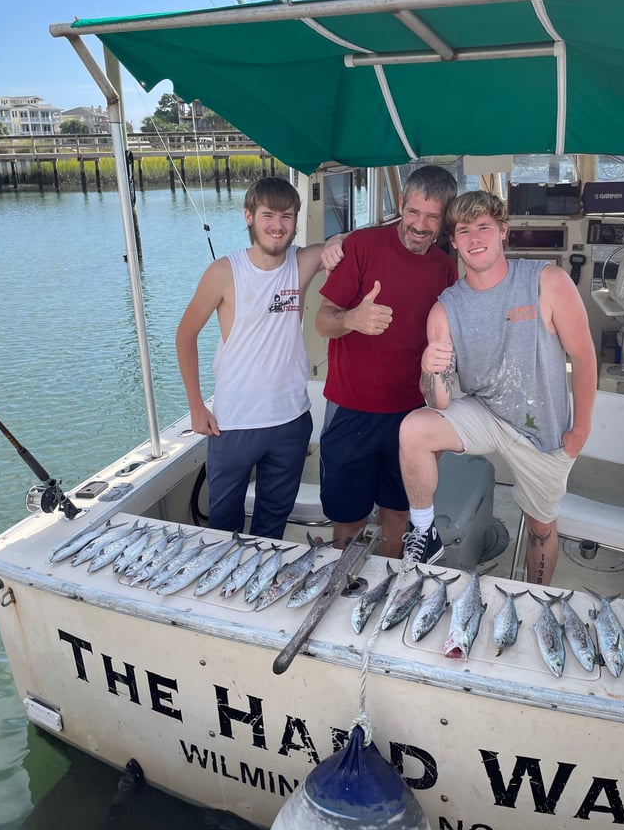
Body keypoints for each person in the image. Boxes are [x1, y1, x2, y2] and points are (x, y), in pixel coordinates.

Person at [399, 190, 597, 582]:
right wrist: (429, 369)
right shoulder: (445, 308)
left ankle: (537, 599)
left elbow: (585, 356)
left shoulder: (547, 282)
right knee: (414, 428)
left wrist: (580, 431)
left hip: (543, 429)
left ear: (503, 231)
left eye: (484, 227)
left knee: (541, 527)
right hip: (485, 412)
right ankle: (424, 532)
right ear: (453, 241)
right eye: (464, 230)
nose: (475, 239)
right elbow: (438, 400)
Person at [176, 176, 344, 539]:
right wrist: (196, 407)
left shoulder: (301, 264)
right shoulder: (224, 272)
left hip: (291, 422)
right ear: (248, 216)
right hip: (233, 423)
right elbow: (185, 336)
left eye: (287, 216)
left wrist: (337, 242)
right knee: (223, 526)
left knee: (273, 525)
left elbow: (343, 243)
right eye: (268, 214)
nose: (278, 225)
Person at [315, 165, 458, 559]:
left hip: (411, 416)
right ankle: (341, 589)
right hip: (351, 408)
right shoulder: (360, 247)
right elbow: (322, 322)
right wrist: (353, 319)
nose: (420, 225)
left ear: (444, 220)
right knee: (348, 517)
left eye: (432, 217)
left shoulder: (446, 269)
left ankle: (389, 586)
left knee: (398, 513)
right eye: (414, 212)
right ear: (400, 204)